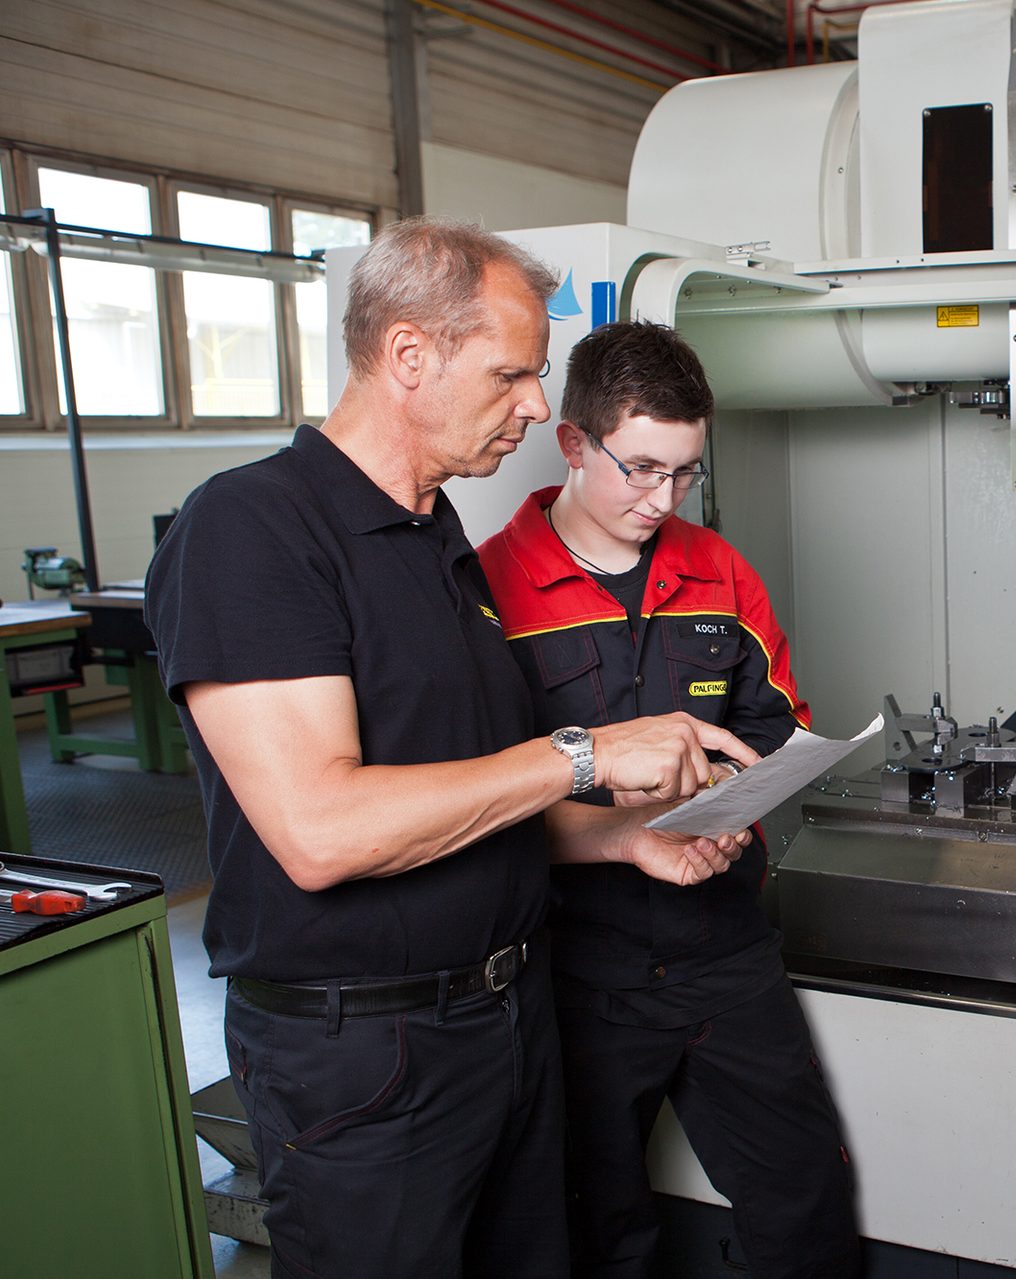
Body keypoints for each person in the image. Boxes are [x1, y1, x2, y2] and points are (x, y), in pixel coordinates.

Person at [144, 218, 759, 1279]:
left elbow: (472, 797)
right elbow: (322, 831)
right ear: (409, 355)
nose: (536, 407)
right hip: (368, 1057)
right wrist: (585, 753)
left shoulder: (437, 539)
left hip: (508, 1023)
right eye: (513, 373)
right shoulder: (253, 529)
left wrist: (621, 840)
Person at [476, 321, 860, 1278]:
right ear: (573, 443)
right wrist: (628, 825)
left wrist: (726, 803)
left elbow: (775, 725)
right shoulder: (490, 590)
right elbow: (474, 798)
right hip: (574, 969)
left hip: (724, 947)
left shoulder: (719, 570)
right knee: (596, 1227)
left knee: (805, 1203)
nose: (663, 499)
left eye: (685, 472)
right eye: (642, 469)